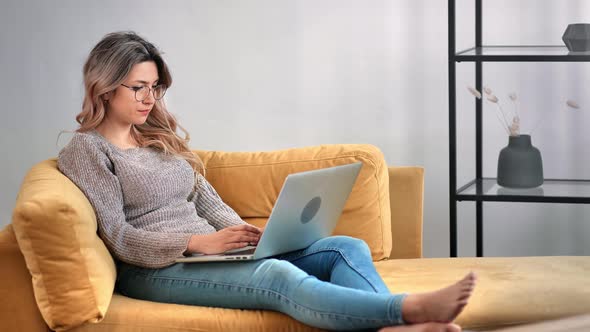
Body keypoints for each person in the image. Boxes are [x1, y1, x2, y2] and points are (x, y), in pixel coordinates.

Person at [57, 31, 476, 332]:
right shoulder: (88, 150)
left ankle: (387, 328)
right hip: (153, 268)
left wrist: (243, 234)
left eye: (156, 88)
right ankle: (407, 310)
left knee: (345, 247)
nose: (150, 99)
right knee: (278, 277)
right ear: (107, 88)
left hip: (209, 255)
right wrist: (196, 243)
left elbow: (203, 197)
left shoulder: (155, 137)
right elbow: (117, 236)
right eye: (139, 88)